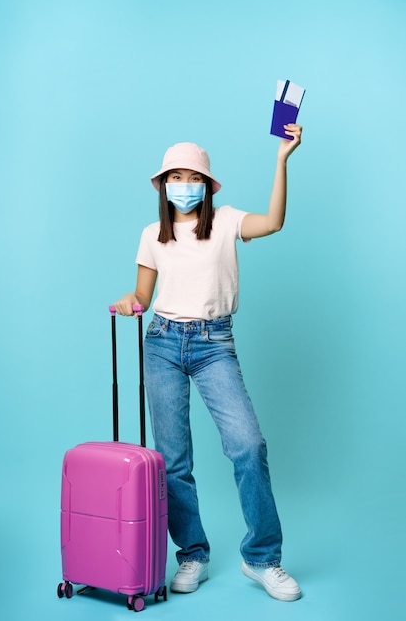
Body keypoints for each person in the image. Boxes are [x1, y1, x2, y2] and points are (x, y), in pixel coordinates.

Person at [114, 123, 303, 602]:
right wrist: (129, 302)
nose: (183, 184)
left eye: (191, 176)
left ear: (206, 183)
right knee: (173, 461)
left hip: (214, 343)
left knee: (248, 445)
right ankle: (192, 553)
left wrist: (282, 159)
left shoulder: (226, 222)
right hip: (161, 344)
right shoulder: (151, 235)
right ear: (163, 186)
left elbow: (274, 222)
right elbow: (143, 294)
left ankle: (261, 558)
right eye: (174, 176)